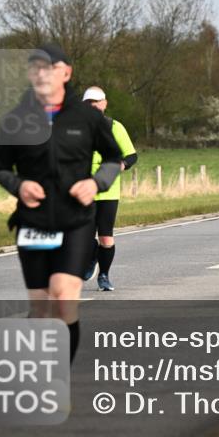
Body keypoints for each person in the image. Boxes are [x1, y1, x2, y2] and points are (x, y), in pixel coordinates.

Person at [0, 44, 123, 363]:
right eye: (34, 68)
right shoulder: (15, 120)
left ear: (66, 73)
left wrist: (95, 183)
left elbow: (113, 157)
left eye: (48, 67)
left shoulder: (87, 118)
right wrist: (19, 185)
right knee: (40, 309)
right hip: (33, 223)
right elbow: (0, 168)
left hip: (75, 221)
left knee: (63, 299)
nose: (41, 73)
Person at [80, 87, 138, 292]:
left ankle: (104, 275)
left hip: (108, 191)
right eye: (89, 103)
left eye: (97, 102)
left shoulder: (115, 127)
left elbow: (131, 156)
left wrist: (120, 165)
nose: (93, 106)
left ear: (104, 104)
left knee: (105, 237)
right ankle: (91, 255)